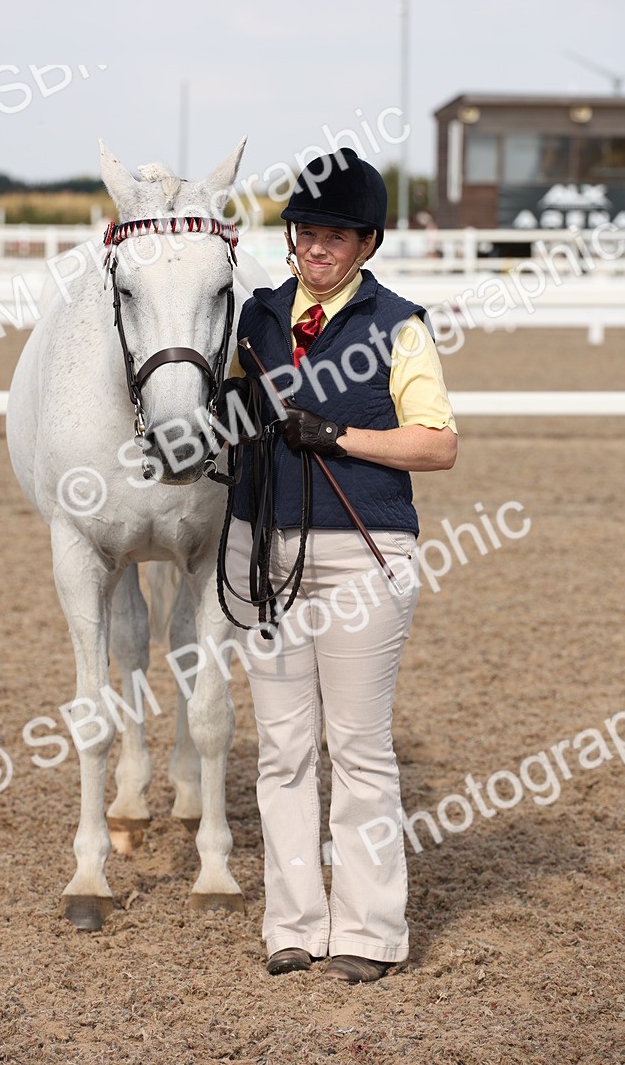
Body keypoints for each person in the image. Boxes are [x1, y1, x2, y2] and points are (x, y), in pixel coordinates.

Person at [219, 148, 457, 984]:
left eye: (339, 235)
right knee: (282, 748)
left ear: (368, 243)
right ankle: (293, 922)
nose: (319, 247)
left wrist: (341, 436)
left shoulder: (400, 323)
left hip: (363, 554)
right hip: (262, 552)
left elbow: (438, 445)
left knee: (358, 748)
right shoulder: (254, 318)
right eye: (308, 231)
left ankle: (371, 929)